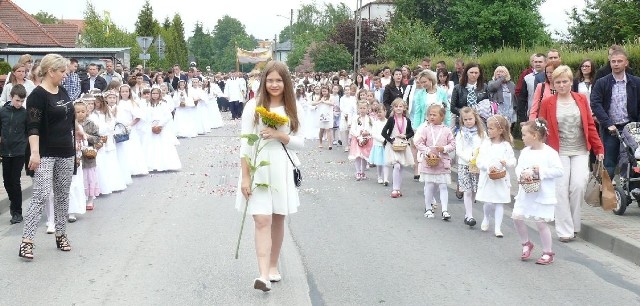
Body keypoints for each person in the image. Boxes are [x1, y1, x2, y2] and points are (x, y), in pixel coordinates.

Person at [236, 61, 304, 292]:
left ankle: (273, 265)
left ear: (286, 83)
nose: (274, 84)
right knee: (261, 219)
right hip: (258, 166)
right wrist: (245, 177)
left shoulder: (293, 108)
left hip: (282, 167)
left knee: (277, 217)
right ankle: (263, 275)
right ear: (263, 81)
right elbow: (245, 144)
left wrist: (278, 135)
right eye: (270, 80)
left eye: (279, 80)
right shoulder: (252, 107)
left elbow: (300, 142)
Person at [19, 54, 79, 260]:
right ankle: (27, 241)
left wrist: (77, 131)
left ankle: (61, 234)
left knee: (62, 195)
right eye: (62, 71)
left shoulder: (61, 90)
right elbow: (33, 127)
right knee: (41, 195)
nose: (64, 75)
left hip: (65, 150)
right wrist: (35, 153)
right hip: (44, 152)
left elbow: (69, 115)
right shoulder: (37, 95)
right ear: (51, 71)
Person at [539, 65, 604, 242]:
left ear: (570, 82)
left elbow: (590, 125)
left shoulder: (581, 99)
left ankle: (574, 225)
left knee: (578, 186)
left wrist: (599, 148)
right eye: (558, 82)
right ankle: (564, 229)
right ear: (554, 84)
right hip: (557, 152)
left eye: (565, 81)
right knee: (560, 189)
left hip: (580, 149)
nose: (561, 85)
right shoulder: (548, 103)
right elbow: (542, 130)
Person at [512, 119, 563, 265]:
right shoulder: (524, 152)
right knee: (517, 217)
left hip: (542, 193)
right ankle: (526, 243)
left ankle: (548, 251)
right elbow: (518, 167)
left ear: (534, 135)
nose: (522, 138)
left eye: (524, 135)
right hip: (526, 191)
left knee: (541, 223)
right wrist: (522, 174)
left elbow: (559, 171)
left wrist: (540, 172)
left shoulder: (550, 153)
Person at [591, 49, 640, 179]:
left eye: (619, 61)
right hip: (610, 128)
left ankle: (632, 190)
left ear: (626, 63)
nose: (616, 64)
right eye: (613, 61)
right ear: (610, 62)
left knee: (633, 159)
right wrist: (607, 123)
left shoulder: (636, 82)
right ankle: (607, 193)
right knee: (609, 161)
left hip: (630, 128)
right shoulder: (602, 82)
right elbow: (595, 103)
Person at [476, 115, 516, 237]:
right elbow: (479, 161)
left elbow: (513, 161)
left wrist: (507, 163)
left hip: (501, 178)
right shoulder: (486, 144)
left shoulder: (506, 146)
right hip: (488, 178)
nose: (489, 131)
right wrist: (488, 167)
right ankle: (486, 217)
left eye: (491, 128)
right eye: (488, 128)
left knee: (500, 202)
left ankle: (498, 228)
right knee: (488, 202)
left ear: (500, 130)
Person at [414, 104, 455, 219]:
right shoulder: (426, 130)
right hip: (429, 162)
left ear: (442, 117)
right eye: (430, 115)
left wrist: (444, 148)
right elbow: (418, 143)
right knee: (429, 185)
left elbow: (453, 144)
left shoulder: (447, 130)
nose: (431, 117)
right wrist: (427, 151)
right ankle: (428, 208)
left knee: (443, 186)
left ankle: (445, 210)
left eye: (434, 115)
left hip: (442, 162)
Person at [0, 84, 28, 224]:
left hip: (19, 152)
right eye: (17, 100)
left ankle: (17, 212)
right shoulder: (3, 111)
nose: (19, 103)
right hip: (5, 151)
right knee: (7, 182)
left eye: (22, 101)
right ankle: (13, 203)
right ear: (11, 97)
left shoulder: (24, 113)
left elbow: (28, 132)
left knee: (15, 181)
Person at [455, 107, 485, 227]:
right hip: (464, 164)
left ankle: (469, 212)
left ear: (475, 118)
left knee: (473, 191)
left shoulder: (481, 133)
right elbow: (459, 149)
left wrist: (479, 158)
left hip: (476, 165)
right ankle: (469, 215)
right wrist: (468, 158)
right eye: (465, 119)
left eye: (470, 119)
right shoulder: (461, 133)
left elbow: (485, 147)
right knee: (467, 190)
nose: (468, 121)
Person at [381, 98, 415, 198]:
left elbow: (411, 132)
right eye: (396, 106)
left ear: (404, 108)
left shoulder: (407, 120)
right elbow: (383, 132)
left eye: (400, 106)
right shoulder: (391, 120)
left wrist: (405, 136)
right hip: (393, 145)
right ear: (393, 108)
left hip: (403, 145)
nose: (398, 108)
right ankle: (395, 189)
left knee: (401, 167)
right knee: (396, 166)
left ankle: (398, 188)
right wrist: (390, 140)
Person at [144, 88, 182, 172]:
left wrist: (160, 125)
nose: (154, 95)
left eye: (156, 93)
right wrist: (151, 125)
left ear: (159, 94)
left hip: (161, 127)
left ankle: (165, 164)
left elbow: (168, 116)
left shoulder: (163, 104)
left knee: (163, 145)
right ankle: (152, 164)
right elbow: (146, 116)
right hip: (151, 126)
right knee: (152, 146)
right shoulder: (148, 104)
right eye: (153, 93)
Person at [116, 84, 148, 176]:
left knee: (131, 148)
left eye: (126, 91)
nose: (125, 93)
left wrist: (130, 125)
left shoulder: (132, 103)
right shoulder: (118, 103)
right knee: (122, 148)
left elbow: (138, 117)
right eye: (123, 92)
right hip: (119, 127)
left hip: (130, 127)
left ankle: (134, 168)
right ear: (120, 93)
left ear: (129, 92)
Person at [76, 97, 100, 210]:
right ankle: (80, 198)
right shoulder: (71, 124)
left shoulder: (90, 124)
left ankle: (90, 199)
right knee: (79, 178)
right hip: (76, 154)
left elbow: (97, 138)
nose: (80, 114)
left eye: (82, 111)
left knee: (89, 177)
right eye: (77, 112)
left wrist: (87, 136)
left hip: (88, 155)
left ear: (87, 112)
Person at [348, 101, 374, 180]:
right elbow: (352, 129)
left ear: (367, 109)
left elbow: (373, 129)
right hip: (357, 139)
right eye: (361, 108)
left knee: (365, 156)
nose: (362, 110)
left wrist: (368, 133)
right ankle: (358, 172)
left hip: (367, 139)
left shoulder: (370, 119)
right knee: (358, 156)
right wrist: (357, 134)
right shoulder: (356, 118)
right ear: (358, 109)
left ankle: (363, 172)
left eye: (364, 108)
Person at [369, 104, 389, 185]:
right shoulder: (376, 123)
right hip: (378, 144)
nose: (379, 114)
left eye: (380, 112)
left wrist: (387, 139)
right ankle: (379, 176)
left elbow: (390, 132)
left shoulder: (388, 122)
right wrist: (382, 140)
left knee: (386, 162)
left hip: (386, 145)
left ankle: (386, 178)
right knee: (379, 162)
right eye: (377, 112)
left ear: (385, 112)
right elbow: (374, 134)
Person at [339, 85, 356, 152]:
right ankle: (346, 145)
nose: (347, 91)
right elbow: (341, 107)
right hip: (345, 115)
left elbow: (354, 108)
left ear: (350, 90)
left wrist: (351, 115)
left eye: (348, 90)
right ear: (344, 91)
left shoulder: (353, 98)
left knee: (351, 131)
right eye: (345, 90)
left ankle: (351, 145)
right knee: (346, 131)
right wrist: (346, 114)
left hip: (352, 116)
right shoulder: (342, 98)